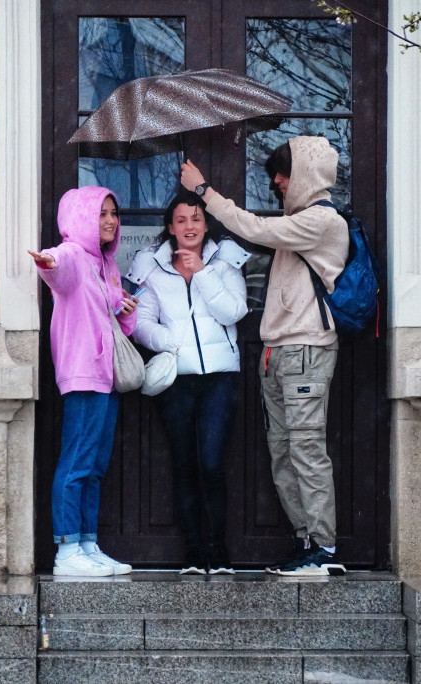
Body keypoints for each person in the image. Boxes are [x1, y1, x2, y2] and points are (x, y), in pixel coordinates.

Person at [180, 136, 349, 576]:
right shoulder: (298, 225)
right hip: (277, 352)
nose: (276, 181)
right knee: (282, 451)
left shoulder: (321, 222)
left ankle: (324, 549)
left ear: (306, 175)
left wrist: (204, 192)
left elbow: (256, 229)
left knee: (306, 449)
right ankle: (305, 540)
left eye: (284, 172)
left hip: (306, 349)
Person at [128, 190, 248, 575]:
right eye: (181, 220)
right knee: (184, 463)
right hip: (176, 381)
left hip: (219, 378)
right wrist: (171, 343)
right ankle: (195, 552)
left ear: (206, 224)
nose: (189, 226)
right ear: (170, 228)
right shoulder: (152, 267)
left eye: (196, 218)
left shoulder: (223, 261)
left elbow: (235, 311)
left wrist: (203, 273)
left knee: (211, 463)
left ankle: (220, 550)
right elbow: (141, 323)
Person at [28, 186, 137, 577]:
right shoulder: (74, 253)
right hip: (82, 374)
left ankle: (88, 543)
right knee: (76, 462)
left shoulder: (106, 265)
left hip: (105, 377)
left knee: (94, 465)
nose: (109, 220)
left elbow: (115, 322)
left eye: (113, 212)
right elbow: (58, 266)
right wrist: (48, 262)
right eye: (100, 213)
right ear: (81, 219)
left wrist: (124, 309)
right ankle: (66, 549)